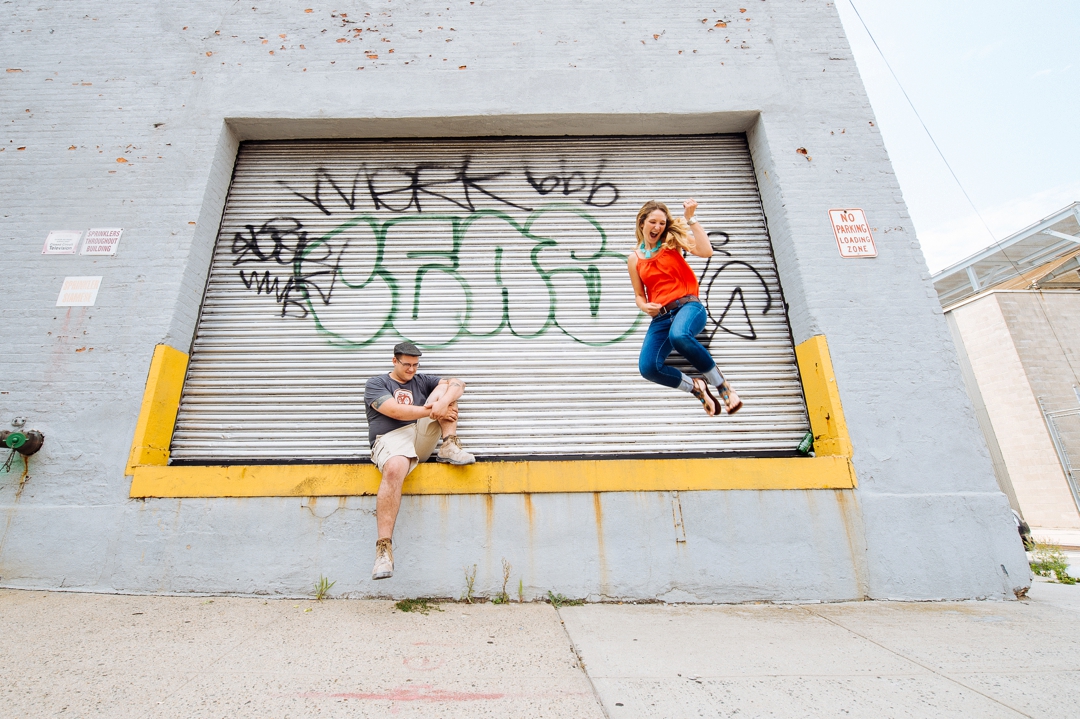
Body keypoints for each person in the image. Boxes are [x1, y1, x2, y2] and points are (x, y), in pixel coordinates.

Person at [364, 341, 475, 580]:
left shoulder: (421, 379)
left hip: (419, 437)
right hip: (391, 438)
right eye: (407, 365)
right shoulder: (376, 384)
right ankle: (383, 550)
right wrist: (434, 410)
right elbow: (396, 412)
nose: (412, 370)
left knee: (447, 387)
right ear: (394, 361)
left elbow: (459, 384)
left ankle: (449, 445)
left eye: (415, 365)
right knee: (395, 468)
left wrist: (443, 403)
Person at [627, 199, 743, 416]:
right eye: (653, 221)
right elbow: (638, 295)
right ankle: (696, 387)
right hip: (660, 318)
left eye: (662, 223)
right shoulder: (634, 259)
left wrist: (691, 219)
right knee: (648, 367)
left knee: (679, 335)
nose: (658, 227)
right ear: (642, 222)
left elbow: (706, 251)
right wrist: (645, 307)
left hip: (688, 307)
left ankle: (723, 387)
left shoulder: (671, 243)